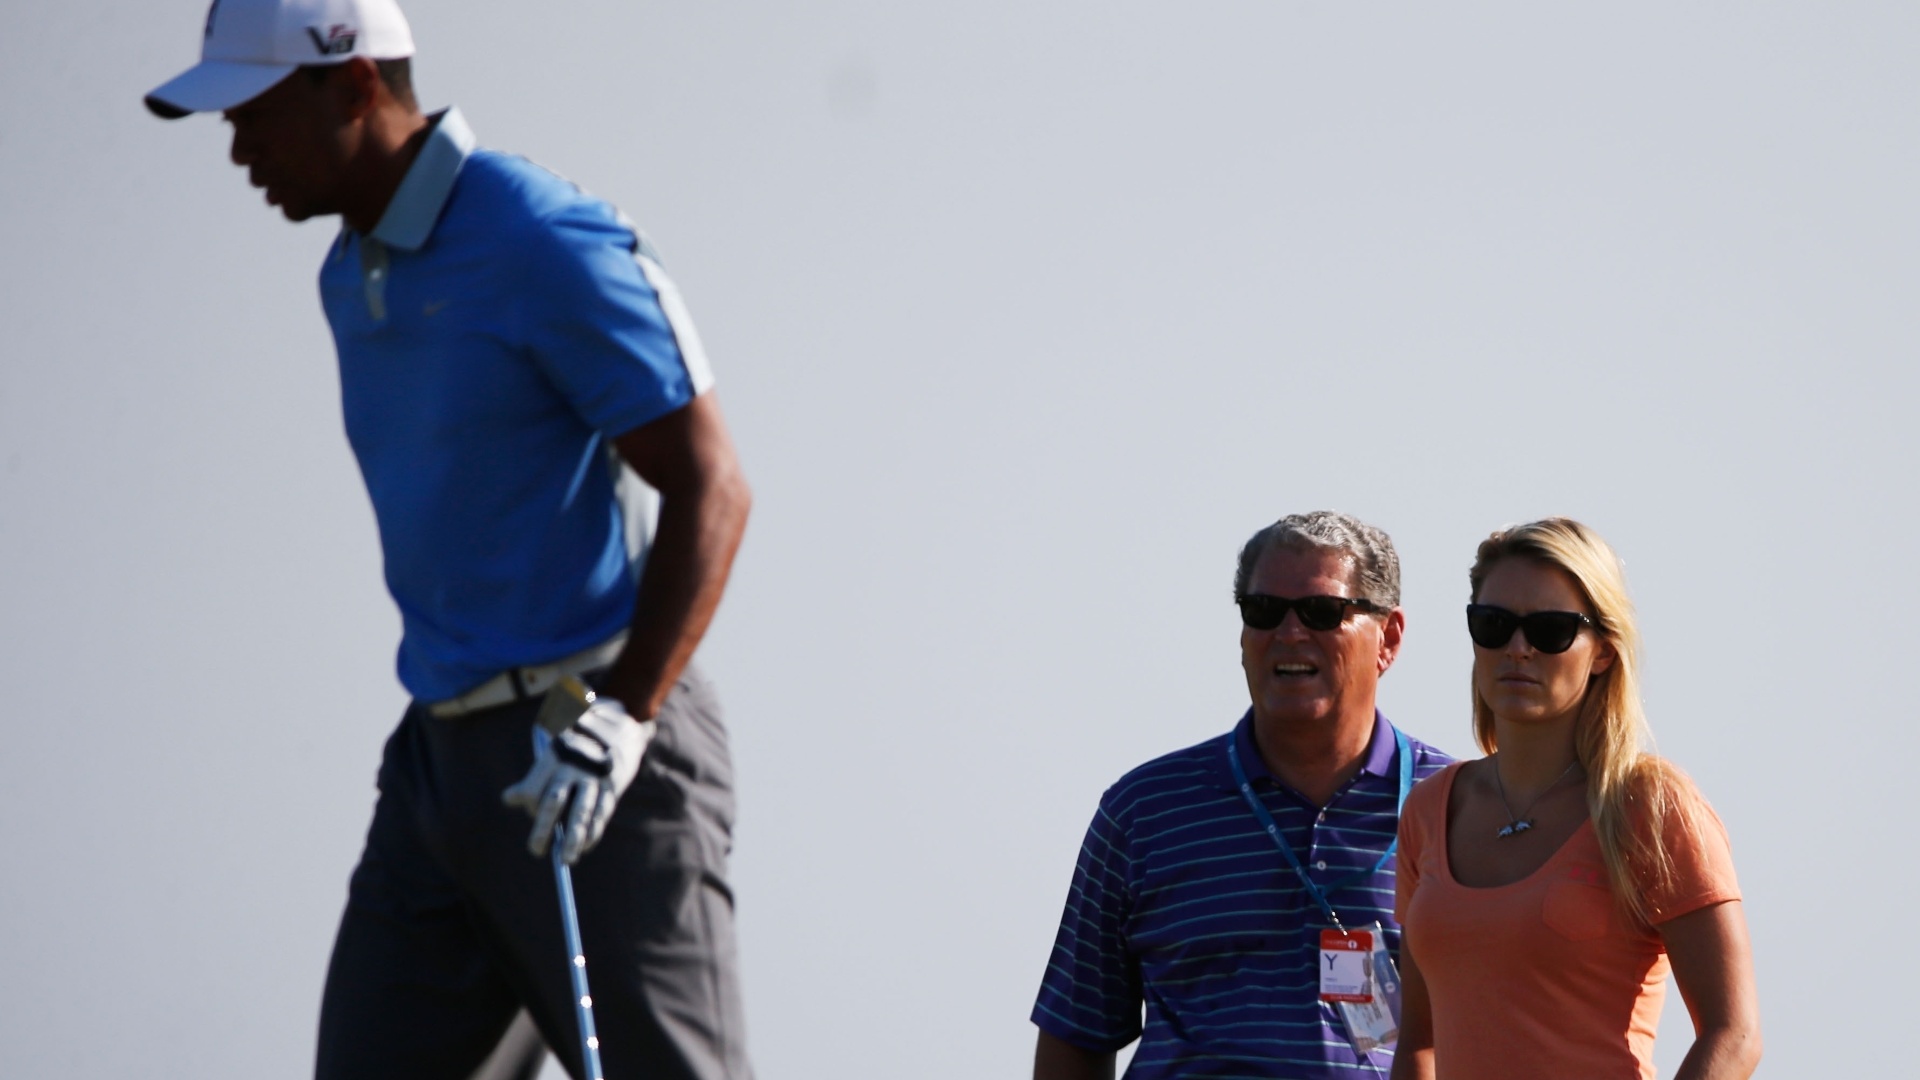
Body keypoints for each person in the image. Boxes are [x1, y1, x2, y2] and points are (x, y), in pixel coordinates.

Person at [143, 2, 755, 1078]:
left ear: (356, 85)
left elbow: (714, 486)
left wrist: (623, 720)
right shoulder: (349, 269)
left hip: (594, 751)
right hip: (438, 770)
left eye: (254, 113)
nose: (237, 149)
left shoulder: (541, 238)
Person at [1032, 511, 1453, 1079]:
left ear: (1389, 637)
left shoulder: (1458, 808)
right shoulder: (1145, 811)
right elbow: (1076, 1032)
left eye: (1320, 612)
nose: (1289, 632)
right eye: (1263, 611)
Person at [1390, 519, 1761, 1080]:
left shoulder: (1653, 807)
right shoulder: (1429, 808)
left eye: (1551, 630)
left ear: (1604, 653)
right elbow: (1420, 1043)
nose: (1517, 648)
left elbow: (1735, 1034)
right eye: (1493, 625)